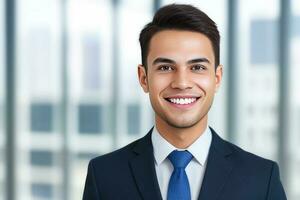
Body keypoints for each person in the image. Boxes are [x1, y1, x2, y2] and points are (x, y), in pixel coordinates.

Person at [82, 4, 287, 200]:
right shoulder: (104, 176)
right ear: (144, 78)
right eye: (165, 68)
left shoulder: (261, 179)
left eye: (197, 67)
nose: (181, 83)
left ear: (217, 78)